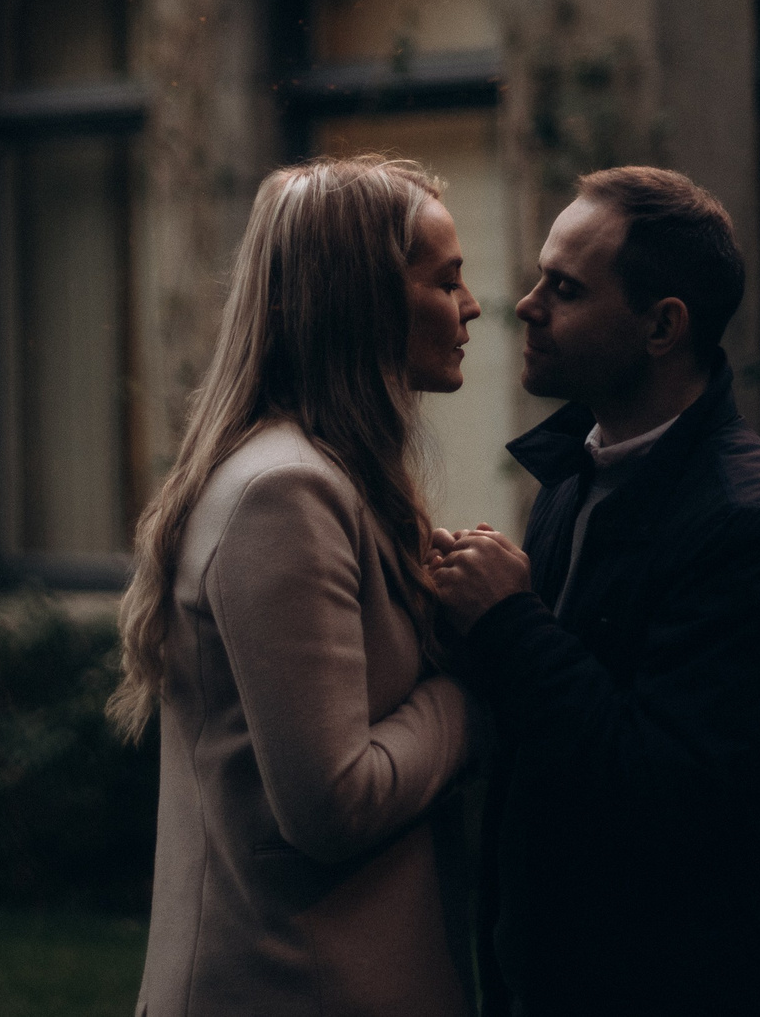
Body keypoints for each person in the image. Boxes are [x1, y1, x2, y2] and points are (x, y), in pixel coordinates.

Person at [430, 166, 760, 1017]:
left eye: (565, 287)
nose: (524, 305)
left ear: (663, 326)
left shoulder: (753, 531)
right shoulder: (576, 477)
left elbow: (659, 789)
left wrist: (511, 622)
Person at [113, 156, 485, 1017]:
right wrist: (476, 686)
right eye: (447, 280)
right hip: (291, 987)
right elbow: (333, 802)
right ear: (363, 301)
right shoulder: (284, 493)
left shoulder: (331, 477)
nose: (471, 308)